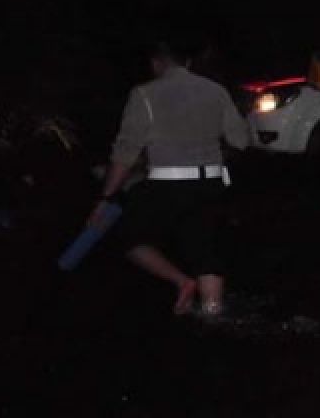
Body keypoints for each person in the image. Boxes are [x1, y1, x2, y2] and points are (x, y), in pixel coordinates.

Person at [88, 40, 249, 316]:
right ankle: (213, 314)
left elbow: (125, 152)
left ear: (156, 64)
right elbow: (241, 140)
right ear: (188, 63)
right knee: (206, 251)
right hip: (210, 182)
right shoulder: (215, 91)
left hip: (166, 185)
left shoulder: (144, 94)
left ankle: (180, 281)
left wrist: (106, 198)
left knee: (128, 237)